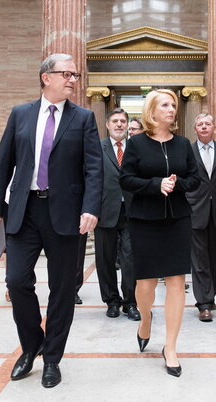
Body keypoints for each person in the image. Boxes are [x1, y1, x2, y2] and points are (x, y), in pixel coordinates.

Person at [0, 53, 102, 388]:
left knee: (63, 289)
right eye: (65, 73)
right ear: (45, 77)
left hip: (66, 214)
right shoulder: (20, 114)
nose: (72, 79)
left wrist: (91, 208)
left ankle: (52, 358)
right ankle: (32, 344)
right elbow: (4, 162)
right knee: (17, 282)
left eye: (75, 75)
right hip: (24, 211)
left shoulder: (83, 118)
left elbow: (94, 168)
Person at [119, 89, 199, 377]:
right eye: (165, 105)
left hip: (177, 219)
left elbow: (195, 179)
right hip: (144, 220)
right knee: (146, 285)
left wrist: (176, 184)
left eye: (173, 105)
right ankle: (145, 320)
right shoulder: (137, 144)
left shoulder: (183, 144)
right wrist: (156, 185)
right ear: (152, 111)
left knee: (177, 281)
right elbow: (125, 179)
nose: (171, 109)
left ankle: (171, 347)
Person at [186, 113, 216, 322]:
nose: (204, 127)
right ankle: (203, 302)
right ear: (195, 129)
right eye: (200, 124)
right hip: (196, 211)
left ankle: (211, 292)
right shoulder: (188, 151)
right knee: (199, 259)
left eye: (208, 124)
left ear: (214, 127)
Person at [95, 107, 140, 320]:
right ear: (108, 124)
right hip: (105, 211)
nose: (119, 124)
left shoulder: (137, 147)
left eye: (123, 121)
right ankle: (111, 301)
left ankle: (130, 302)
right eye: (115, 121)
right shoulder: (97, 148)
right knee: (105, 259)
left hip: (132, 212)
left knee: (131, 260)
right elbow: (91, 180)